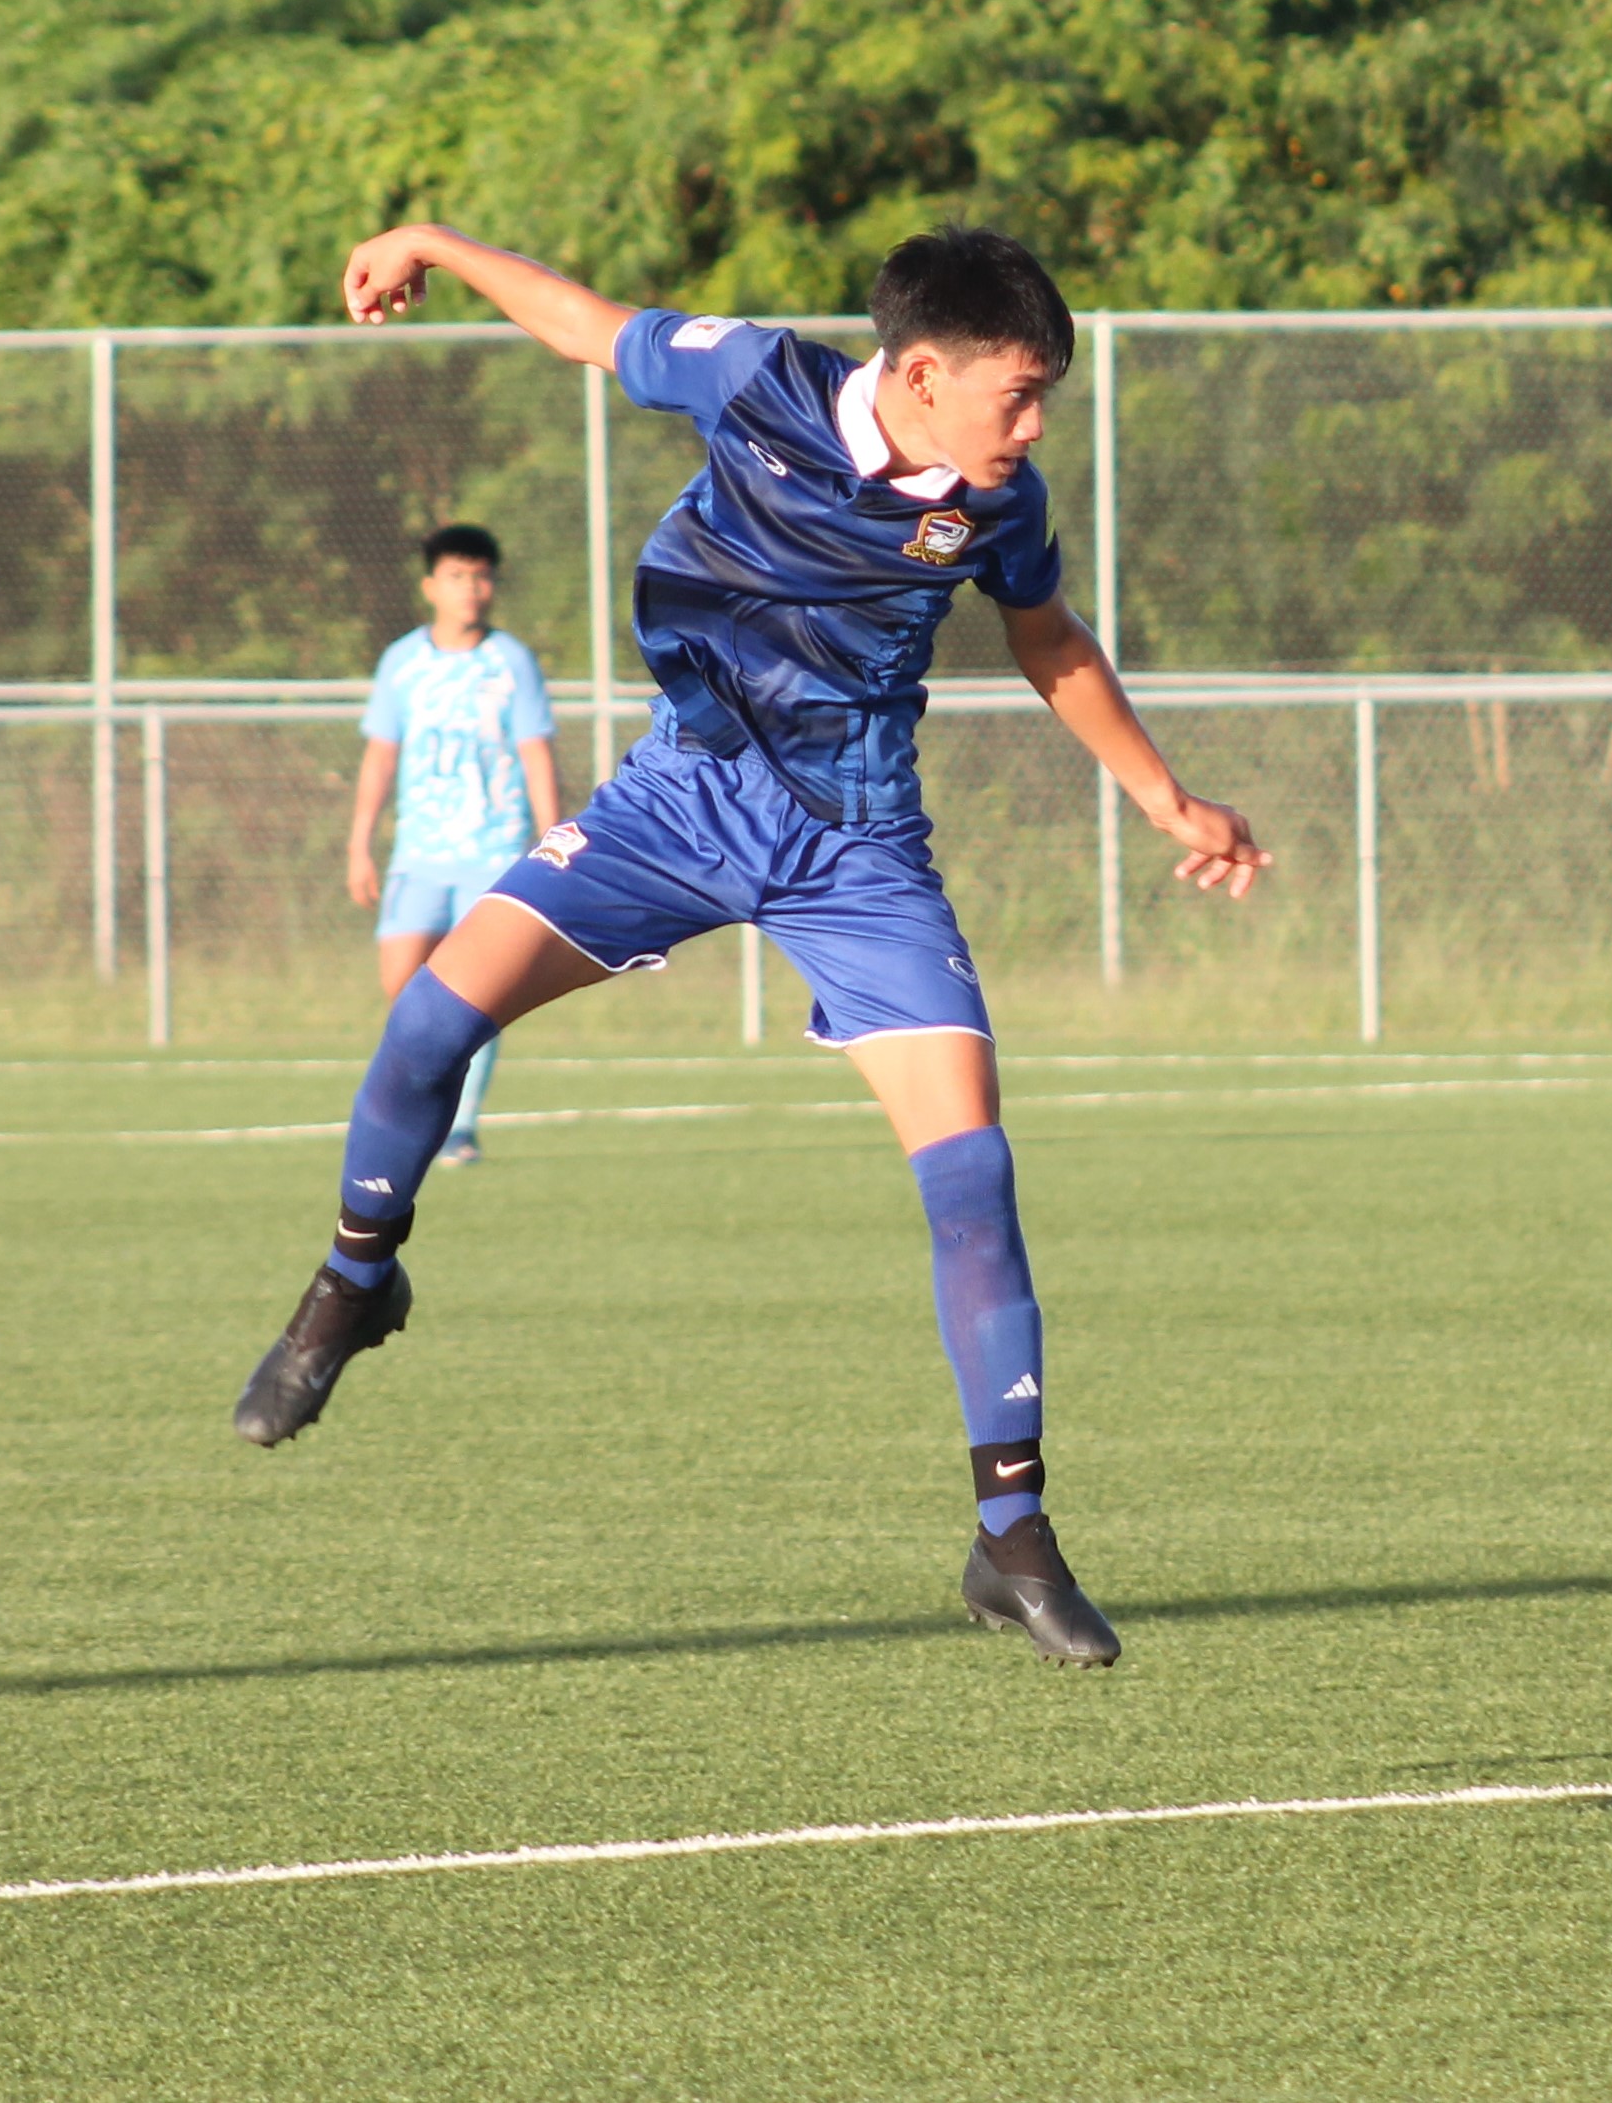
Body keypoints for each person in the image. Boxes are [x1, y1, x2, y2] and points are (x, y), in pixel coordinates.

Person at [230, 221, 1272, 1670]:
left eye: (1044, 401)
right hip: (678, 803)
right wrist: (431, 246)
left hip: (857, 851)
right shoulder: (761, 382)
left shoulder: (997, 503)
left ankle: (1011, 1533)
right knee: (425, 1026)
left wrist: (1169, 800)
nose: (1034, 428)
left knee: (973, 1175)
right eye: (1017, 396)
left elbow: (1054, 642)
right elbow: (590, 323)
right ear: (919, 374)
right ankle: (355, 1279)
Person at [345, 524, 560, 1166]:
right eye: (459, 577)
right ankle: (424, 1104)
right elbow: (380, 758)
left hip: (492, 852)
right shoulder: (402, 663)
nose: (473, 589)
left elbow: (535, 753)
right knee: (402, 988)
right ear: (431, 585)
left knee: (476, 994)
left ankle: (459, 1126)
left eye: (482, 576)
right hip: (419, 854)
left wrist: (551, 845)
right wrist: (360, 843)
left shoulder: (510, 662)